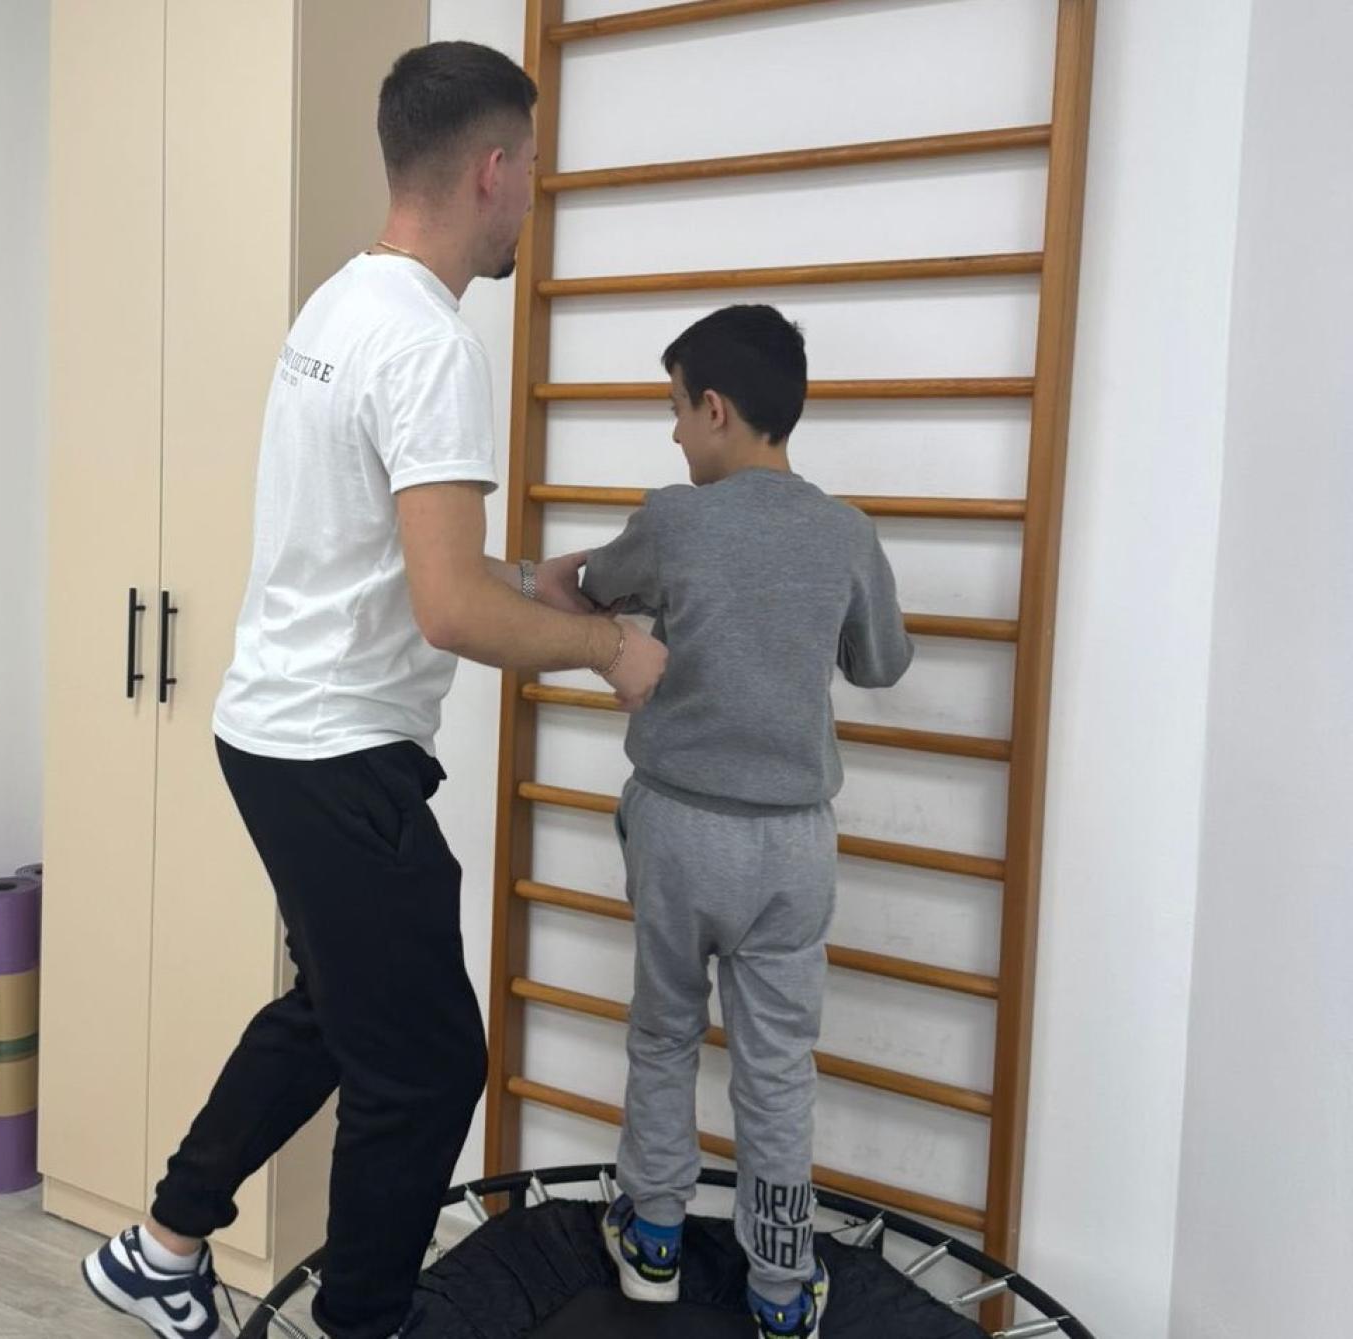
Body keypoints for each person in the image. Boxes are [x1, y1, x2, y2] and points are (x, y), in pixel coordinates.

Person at [81, 40, 666, 1339]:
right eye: (535, 175)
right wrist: (609, 650)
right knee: (427, 1063)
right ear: (496, 170)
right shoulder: (432, 345)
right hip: (335, 753)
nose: (533, 201)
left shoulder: (341, 304)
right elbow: (452, 608)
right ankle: (363, 1321)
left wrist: (542, 579)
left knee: (338, 1009)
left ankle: (164, 1242)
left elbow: (410, 561)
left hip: (273, 728)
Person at [582, 305, 914, 1339]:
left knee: (663, 1031)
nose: (674, 434)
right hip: (789, 847)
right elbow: (880, 663)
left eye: (676, 411)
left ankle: (652, 1242)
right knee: (775, 1068)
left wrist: (568, 588)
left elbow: (595, 584)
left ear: (716, 410)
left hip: (678, 828)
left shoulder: (674, 520)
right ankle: (779, 1283)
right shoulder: (843, 529)